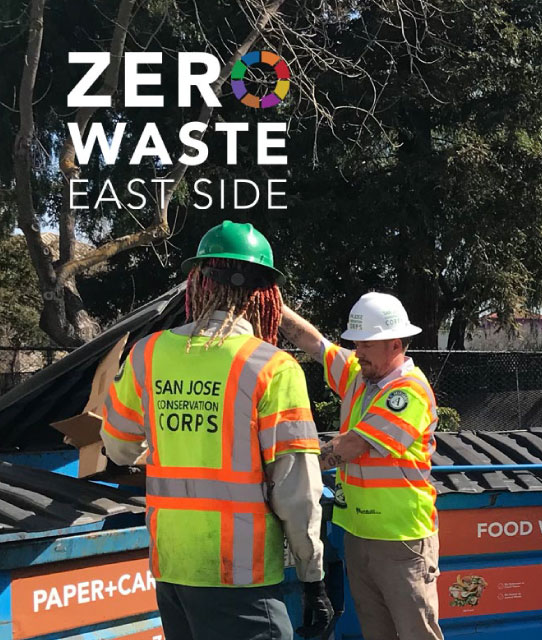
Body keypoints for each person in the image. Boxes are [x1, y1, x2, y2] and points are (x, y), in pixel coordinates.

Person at [100, 221, 334, 640]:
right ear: (266, 295)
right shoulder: (274, 368)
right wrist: (312, 576)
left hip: (172, 568)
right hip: (240, 578)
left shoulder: (147, 354)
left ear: (197, 281)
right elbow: (298, 492)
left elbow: (117, 448)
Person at [280, 292, 443, 640]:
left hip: (401, 539)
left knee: (416, 633)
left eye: (367, 345)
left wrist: (287, 467)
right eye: (356, 343)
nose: (358, 352)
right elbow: (314, 343)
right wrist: (272, 303)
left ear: (395, 344)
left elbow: (352, 447)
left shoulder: (409, 391)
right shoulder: (360, 375)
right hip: (358, 534)